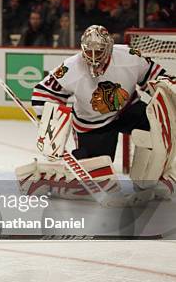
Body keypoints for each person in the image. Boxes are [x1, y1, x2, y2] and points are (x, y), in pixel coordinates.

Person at [19, 25, 172, 199]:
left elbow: (155, 77)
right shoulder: (71, 68)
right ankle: (42, 179)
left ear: (109, 47)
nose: (92, 58)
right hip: (92, 123)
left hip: (129, 109)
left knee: (159, 128)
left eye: (98, 51)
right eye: (88, 51)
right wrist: (48, 122)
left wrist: (169, 90)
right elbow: (43, 93)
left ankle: (149, 180)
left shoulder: (130, 56)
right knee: (97, 179)